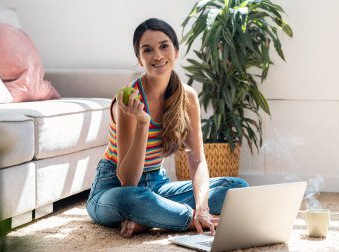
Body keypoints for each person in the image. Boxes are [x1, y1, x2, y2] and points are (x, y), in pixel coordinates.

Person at [86, 18, 248, 238]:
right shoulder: (128, 99)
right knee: (132, 199)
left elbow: (197, 159)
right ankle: (188, 220)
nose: (158, 56)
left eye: (164, 46)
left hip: (157, 187)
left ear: (176, 51)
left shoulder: (187, 96)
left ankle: (150, 219)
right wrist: (143, 123)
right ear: (139, 59)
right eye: (148, 50)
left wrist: (203, 206)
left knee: (236, 187)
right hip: (112, 190)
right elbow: (128, 181)